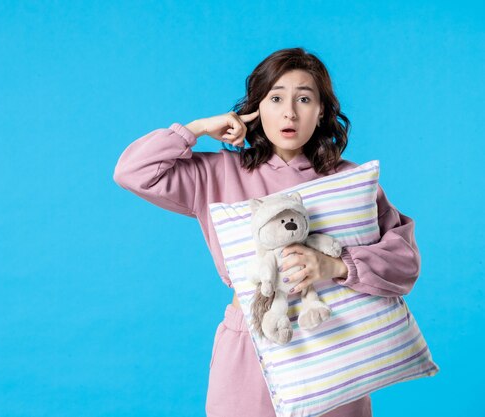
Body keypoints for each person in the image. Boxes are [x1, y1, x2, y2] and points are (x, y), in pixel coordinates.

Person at [113, 47, 420, 417]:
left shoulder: (351, 180)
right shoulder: (218, 173)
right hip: (250, 342)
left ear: (321, 110)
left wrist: (334, 266)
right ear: (257, 108)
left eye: (304, 98)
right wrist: (196, 129)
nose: (290, 112)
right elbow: (133, 172)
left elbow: (405, 263)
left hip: (333, 340)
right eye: (276, 98)